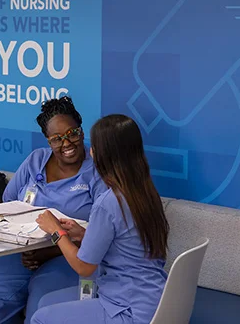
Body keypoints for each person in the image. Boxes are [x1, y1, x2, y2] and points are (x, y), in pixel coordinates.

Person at [0, 96, 107, 324]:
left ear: (81, 130)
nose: (67, 143)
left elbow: (101, 232)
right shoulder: (35, 160)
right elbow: (8, 204)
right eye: (57, 139)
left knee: (40, 312)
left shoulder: (97, 170)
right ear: (48, 141)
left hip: (67, 258)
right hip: (19, 254)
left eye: (72, 133)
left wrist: (51, 251)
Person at [32, 114, 170, 324]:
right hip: (157, 300)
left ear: (104, 155)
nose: (90, 151)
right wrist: (84, 234)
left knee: (41, 318)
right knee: (46, 302)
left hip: (127, 309)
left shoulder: (108, 202)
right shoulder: (146, 192)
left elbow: (84, 267)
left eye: (94, 147)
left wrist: (56, 232)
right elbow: (128, 242)